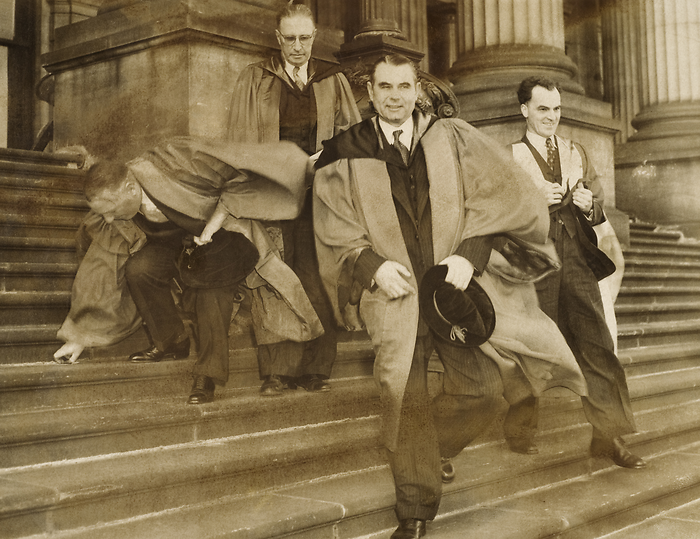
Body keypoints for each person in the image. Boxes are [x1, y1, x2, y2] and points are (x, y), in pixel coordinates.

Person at [313, 54, 587, 539]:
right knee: (409, 391)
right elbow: (336, 226)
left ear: (417, 89)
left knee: (482, 390)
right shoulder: (345, 152)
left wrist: (470, 253)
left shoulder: (453, 137)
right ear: (370, 93)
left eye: (404, 86)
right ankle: (414, 513)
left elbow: (498, 196)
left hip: (449, 290)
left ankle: (425, 449)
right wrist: (371, 267)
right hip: (395, 296)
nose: (395, 96)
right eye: (385, 87)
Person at [54, 137, 324, 405]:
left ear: (129, 187)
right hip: (172, 244)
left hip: (219, 235)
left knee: (212, 293)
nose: (109, 219)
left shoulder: (179, 159)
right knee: (139, 269)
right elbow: (98, 268)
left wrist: (215, 222)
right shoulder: (114, 206)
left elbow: (240, 174)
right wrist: (80, 337)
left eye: (111, 211)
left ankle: (207, 375)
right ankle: (171, 341)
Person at [506, 76, 645, 469]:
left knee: (597, 343)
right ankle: (519, 429)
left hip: (578, 259)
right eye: (543, 109)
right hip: (533, 261)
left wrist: (589, 207)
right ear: (525, 110)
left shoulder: (576, 151)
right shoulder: (509, 155)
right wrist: (532, 201)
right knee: (532, 345)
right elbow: (495, 213)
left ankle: (608, 435)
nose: (551, 117)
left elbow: (598, 206)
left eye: (556, 109)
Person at [228, 3, 361, 396]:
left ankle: (317, 368)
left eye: (305, 38)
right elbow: (240, 142)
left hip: (319, 193)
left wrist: (329, 154)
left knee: (318, 276)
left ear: (314, 37)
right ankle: (276, 372)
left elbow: (352, 134)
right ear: (277, 39)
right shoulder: (255, 79)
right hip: (271, 194)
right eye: (290, 39)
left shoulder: (332, 80)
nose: (298, 47)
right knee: (275, 276)